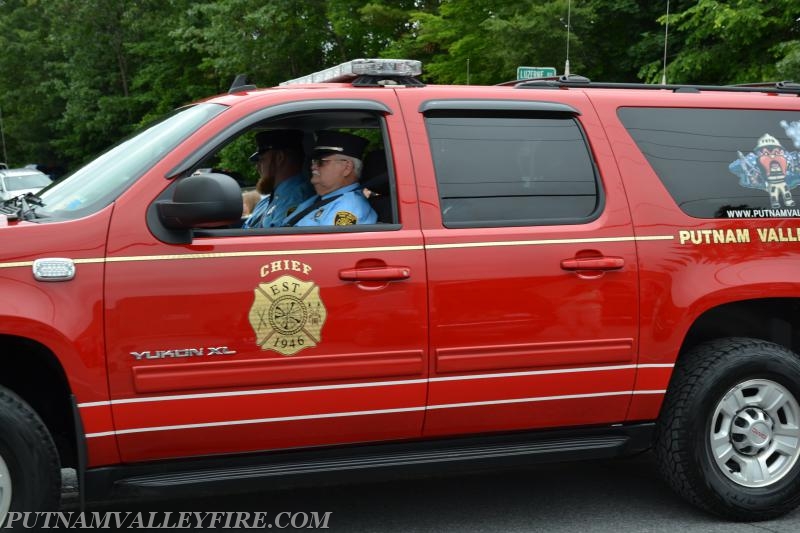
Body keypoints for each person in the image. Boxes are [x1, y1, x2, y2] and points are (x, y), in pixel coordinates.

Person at [282, 131, 377, 227]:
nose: (313, 167)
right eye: (313, 161)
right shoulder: (317, 200)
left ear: (347, 168)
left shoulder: (348, 206)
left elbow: (324, 242)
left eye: (321, 162)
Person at [241, 129, 314, 228]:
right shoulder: (267, 201)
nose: (257, 167)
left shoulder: (297, 200)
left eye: (261, 160)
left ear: (279, 157)